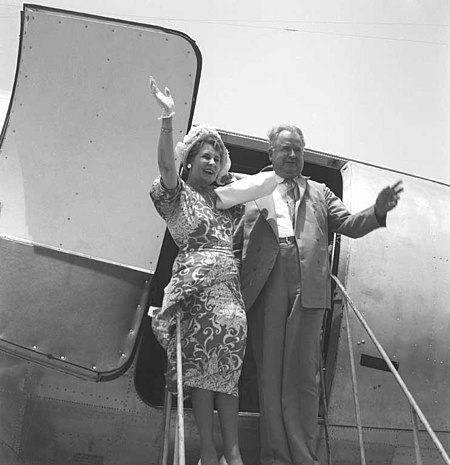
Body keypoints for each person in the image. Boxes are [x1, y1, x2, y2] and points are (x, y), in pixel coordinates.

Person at [234, 124, 403, 465]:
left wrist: (378, 210)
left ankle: (303, 457)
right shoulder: (249, 188)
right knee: (269, 377)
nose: (293, 155)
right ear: (271, 154)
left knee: (302, 380)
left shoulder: (320, 192)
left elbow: (351, 225)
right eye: (286, 149)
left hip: (308, 286)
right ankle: (276, 458)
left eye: (299, 149)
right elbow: (235, 242)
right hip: (265, 283)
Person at [148, 76, 277, 465]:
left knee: (228, 376)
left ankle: (232, 452)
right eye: (205, 155)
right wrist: (169, 118)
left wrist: (229, 177)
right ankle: (209, 450)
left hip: (230, 297)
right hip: (197, 292)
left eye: (216, 158)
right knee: (201, 374)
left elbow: (259, 185)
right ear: (190, 159)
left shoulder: (224, 202)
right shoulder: (176, 196)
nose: (211, 162)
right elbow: (166, 164)